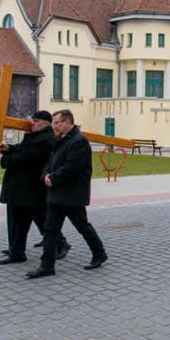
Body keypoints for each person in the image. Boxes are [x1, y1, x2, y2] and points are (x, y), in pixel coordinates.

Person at [26, 109, 108, 279]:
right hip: (57, 193)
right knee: (50, 230)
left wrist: (53, 178)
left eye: (58, 122)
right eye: (54, 123)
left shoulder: (80, 141)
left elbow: (72, 167)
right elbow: (51, 161)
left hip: (72, 194)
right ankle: (47, 265)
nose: (55, 126)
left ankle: (99, 253)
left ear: (68, 121)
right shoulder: (61, 140)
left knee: (82, 226)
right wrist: (46, 176)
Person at [0, 110, 69, 265]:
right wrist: (10, 149)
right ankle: (16, 250)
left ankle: (59, 244)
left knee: (36, 220)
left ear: (46, 123)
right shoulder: (37, 137)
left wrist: (4, 159)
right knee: (21, 221)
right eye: (32, 121)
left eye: (36, 121)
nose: (32, 124)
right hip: (23, 188)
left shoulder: (46, 139)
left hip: (29, 188)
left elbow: (27, 157)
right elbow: (23, 149)